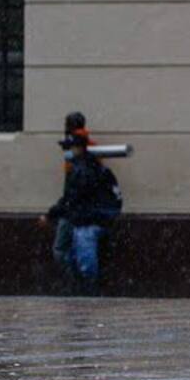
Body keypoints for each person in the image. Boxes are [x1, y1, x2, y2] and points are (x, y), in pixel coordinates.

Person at [38, 112, 123, 295]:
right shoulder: (89, 156)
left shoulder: (83, 163)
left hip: (80, 213)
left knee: (74, 252)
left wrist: (52, 213)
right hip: (82, 212)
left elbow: (74, 193)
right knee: (78, 251)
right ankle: (82, 285)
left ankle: (82, 287)